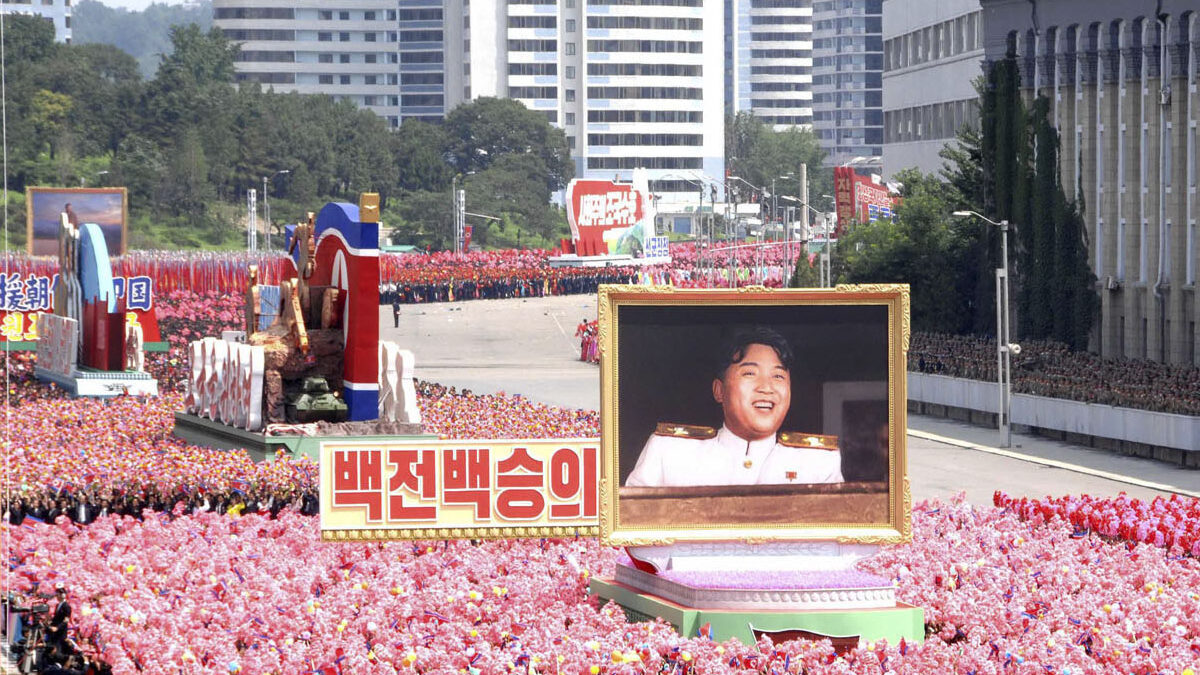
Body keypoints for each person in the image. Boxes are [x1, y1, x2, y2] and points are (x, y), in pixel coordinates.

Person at [624, 327, 843, 487]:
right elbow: (634, 532)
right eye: (750, 373)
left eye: (778, 376)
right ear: (719, 390)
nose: (766, 388)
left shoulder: (819, 463)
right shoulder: (668, 453)